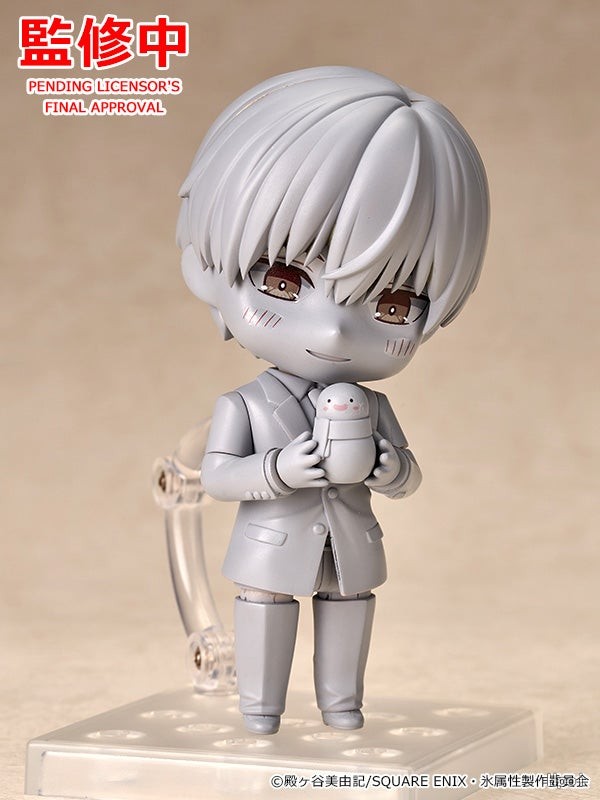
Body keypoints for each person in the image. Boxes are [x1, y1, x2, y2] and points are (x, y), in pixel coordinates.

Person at [176, 66, 489, 735]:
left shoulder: (370, 406)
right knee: (265, 608)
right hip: (269, 547)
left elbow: (408, 471)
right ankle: (259, 711)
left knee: (349, 611)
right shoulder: (245, 404)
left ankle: (343, 709)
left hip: (349, 550)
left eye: (393, 304)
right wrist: (278, 470)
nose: (335, 332)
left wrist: (390, 469)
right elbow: (218, 476)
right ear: (205, 265)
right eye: (285, 281)